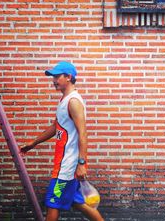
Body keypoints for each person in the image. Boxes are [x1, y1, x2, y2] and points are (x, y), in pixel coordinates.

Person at [20, 61, 104, 221]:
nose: (53, 80)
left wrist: (81, 163)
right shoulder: (64, 101)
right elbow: (55, 126)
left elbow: (83, 133)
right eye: (53, 76)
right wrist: (34, 143)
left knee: (53, 201)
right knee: (75, 201)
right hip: (64, 165)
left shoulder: (73, 102)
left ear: (69, 77)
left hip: (67, 169)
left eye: (57, 76)